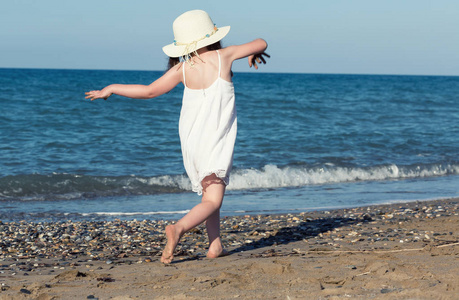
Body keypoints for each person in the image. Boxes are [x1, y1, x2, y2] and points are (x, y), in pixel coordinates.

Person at [85, 9, 269, 264]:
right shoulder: (224, 55)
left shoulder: (182, 69)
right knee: (214, 198)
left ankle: (215, 245)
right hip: (215, 140)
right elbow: (262, 42)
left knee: (210, 194)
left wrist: (112, 88)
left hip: (193, 142)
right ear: (212, 36)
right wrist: (254, 52)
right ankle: (179, 228)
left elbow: (148, 91)